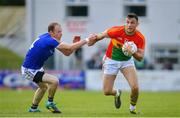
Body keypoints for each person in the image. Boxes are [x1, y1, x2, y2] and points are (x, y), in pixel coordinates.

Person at [21, 22, 89, 113]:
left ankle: (33, 108)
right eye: (58, 32)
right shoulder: (50, 40)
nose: (61, 33)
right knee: (54, 81)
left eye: (61, 31)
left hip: (36, 68)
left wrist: (74, 45)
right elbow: (69, 47)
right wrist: (87, 40)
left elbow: (67, 52)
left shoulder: (51, 40)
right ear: (51, 32)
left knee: (43, 87)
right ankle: (50, 103)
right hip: (29, 69)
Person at [87, 13, 145, 114]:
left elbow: (140, 58)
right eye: (127, 22)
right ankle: (117, 93)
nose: (129, 25)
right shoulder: (117, 31)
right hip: (111, 60)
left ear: (137, 24)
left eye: (132, 23)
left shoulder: (140, 37)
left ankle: (132, 108)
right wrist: (93, 40)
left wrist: (132, 52)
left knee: (135, 88)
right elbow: (102, 35)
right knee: (107, 91)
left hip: (127, 61)